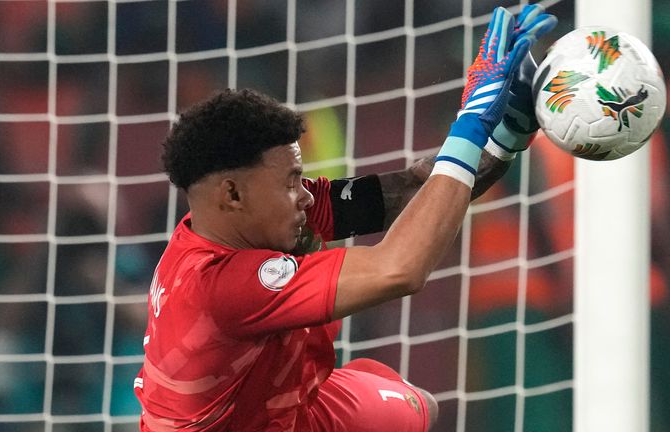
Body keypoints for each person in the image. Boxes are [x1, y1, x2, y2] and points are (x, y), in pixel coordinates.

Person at [133, 5, 557, 431]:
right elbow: (398, 271)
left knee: (419, 406)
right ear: (232, 193)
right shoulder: (222, 286)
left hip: (284, 407)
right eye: (291, 181)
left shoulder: (244, 221)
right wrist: (468, 123)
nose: (305, 195)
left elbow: (413, 189)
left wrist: (501, 138)